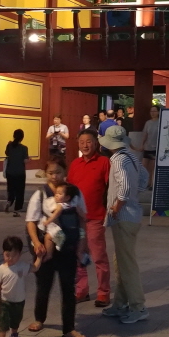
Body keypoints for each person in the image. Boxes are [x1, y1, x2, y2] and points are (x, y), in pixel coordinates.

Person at [24, 155, 89, 337]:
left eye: (58, 172)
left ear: (65, 172)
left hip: (68, 246)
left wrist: (82, 243)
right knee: (44, 284)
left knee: (68, 287)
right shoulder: (40, 194)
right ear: (45, 173)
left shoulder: (74, 193)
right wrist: (37, 243)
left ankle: (69, 328)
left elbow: (82, 219)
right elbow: (31, 222)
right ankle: (39, 318)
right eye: (50, 173)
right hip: (46, 245)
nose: (54, 176)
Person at [99, 125, 147, 323]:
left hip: (124, 217)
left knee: (127, 264)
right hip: (132, 215)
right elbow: (144, 177)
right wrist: (135, 194)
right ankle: (120, 303)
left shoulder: (117, 159)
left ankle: (138, 306)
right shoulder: (131, 156)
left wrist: (117, 206)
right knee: (121, 261)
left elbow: (125, 187)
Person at [69, 130, 111, 308]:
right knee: (79, 255)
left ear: (96, 143)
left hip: (95, 217)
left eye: (89, 141)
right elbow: (69, 190)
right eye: (82, 142)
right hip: (76, 219)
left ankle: (103, 292)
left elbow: (111, 187)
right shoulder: (75, 164)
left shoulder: (104, 162)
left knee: (99, 257)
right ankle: (82, 290)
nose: (85, 145)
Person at [0, 236, 39, 337]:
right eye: (7, 255)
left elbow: (35, 268)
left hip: (19, 301)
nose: (10, 258)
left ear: (20, 254)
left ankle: (14, 333)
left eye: (14, 255)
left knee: (16, 319)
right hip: (5, 300)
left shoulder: (22, 266)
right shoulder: (2, 269)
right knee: (2, 320)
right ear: (3, 253)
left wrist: (40, 257)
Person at [37, 183, 82, 268]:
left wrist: (48, 221)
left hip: (61, 229)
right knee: (80, 239)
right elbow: (81, 213)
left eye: (60, 194)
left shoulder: (60, 205)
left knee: (48, 237)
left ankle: (49, 254)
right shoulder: (73, 204)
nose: (56, 195)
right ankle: (78, 253)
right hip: (72, 229)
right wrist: (84, 217)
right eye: (56, 193)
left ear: (67, 197)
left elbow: (55, 214)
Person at [3, 129, 29, 217]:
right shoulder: (24, 148)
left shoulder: (9, 146)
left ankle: (9, 201)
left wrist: (9, 144)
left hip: (10, 171)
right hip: (20, 172)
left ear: (14, 136)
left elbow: (7, 153)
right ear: (22, 137)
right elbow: (25, 160)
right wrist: (29, 159)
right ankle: (16, 210)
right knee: (19, 191)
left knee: (11, 189)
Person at [141, 105, 160, 189]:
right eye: (151, 111)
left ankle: (152, 184)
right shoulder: (148, 123)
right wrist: (142, 144)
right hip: (147, 147)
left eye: (154, 111)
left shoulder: (160, 122)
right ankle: (146, 183)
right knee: (144, 167)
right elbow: (145, 134)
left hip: (155, 148)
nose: (152, 113)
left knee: (152, 167)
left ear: (158, 112)